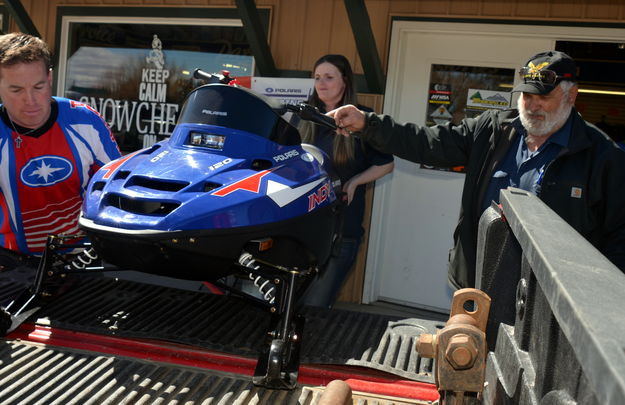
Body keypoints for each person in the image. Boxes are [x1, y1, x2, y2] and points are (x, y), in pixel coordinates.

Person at [329, 50, 625, 289]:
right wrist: (368, 124)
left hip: (551, 304)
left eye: (544, 97)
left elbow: (618, 240)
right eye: (526, 95)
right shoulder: (494, 130)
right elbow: (428, 143)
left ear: (571, 96)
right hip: (479, 286)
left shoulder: (602, 156)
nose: (532, 106)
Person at [0, 33, 121, 270]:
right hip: (10, 263)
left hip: (83, 257)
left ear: (50, 78)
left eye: (39, 86)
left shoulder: (84, 120)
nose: (30, 100)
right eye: (16, 90)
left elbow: (116, 187)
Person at [300, 54, 394, 308]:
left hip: (342, 231)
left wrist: (354, 182)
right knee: (290, 307)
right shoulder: (305, 117)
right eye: (317, 77)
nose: (321, 83)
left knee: (314, 308)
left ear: (345, 82)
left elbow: (386, 164)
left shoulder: (362, 119)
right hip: (300, 232)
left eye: (329, 77)